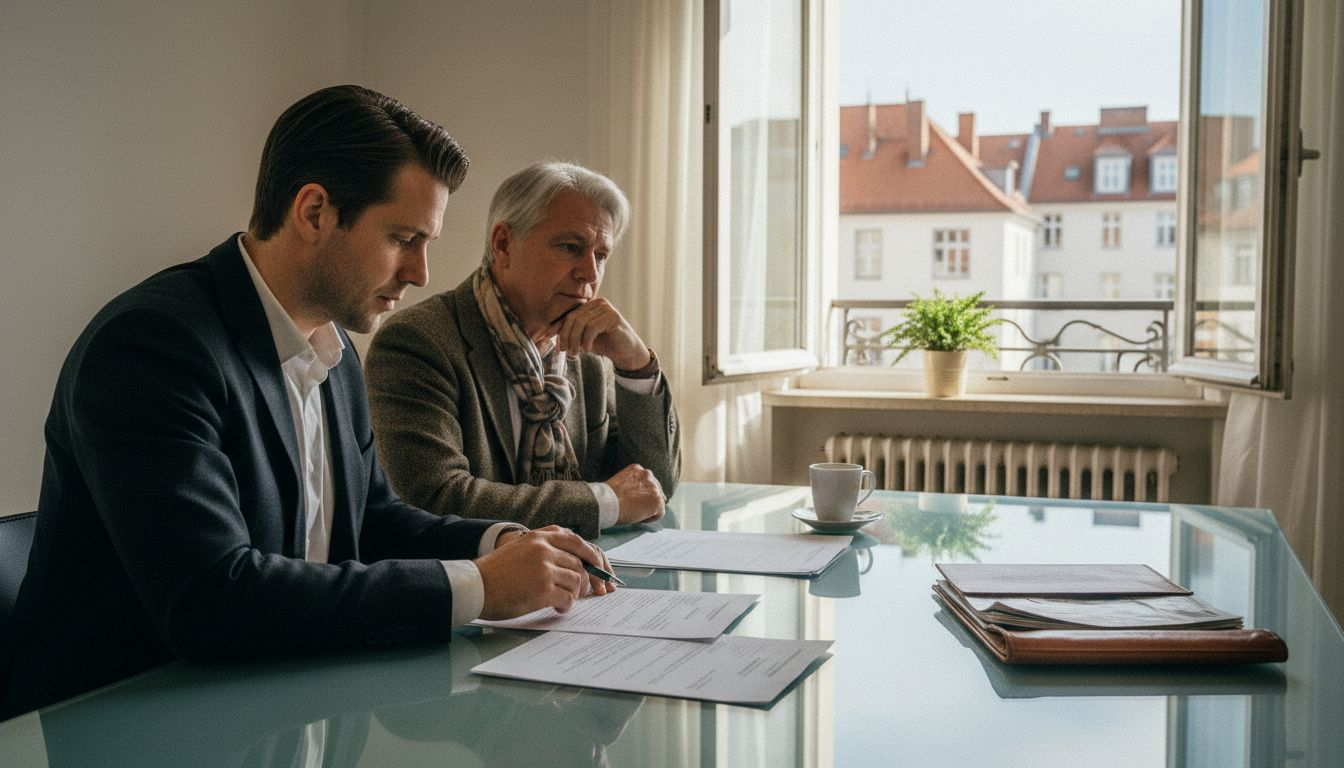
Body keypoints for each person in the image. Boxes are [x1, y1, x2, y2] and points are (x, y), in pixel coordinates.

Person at [1, 85, 614, 719]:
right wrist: (479, 588)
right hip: (123, 720)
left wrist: (502, 541)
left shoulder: (334, 349)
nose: (421, 272)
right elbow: (213, 597)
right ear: (314, 211)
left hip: (273, 699)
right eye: (404, 237)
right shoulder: (153, 347)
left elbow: (371, 521)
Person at [365, 162, 682, 540]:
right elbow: (435, 498)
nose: (589, 273)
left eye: (600, 255)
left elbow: (650, 490)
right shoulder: (417, 342)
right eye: (571, 247)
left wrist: (636, 366)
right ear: (503, 244)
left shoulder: (590, 355)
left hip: (583, 581)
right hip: (480, 588)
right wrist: (603, 502)